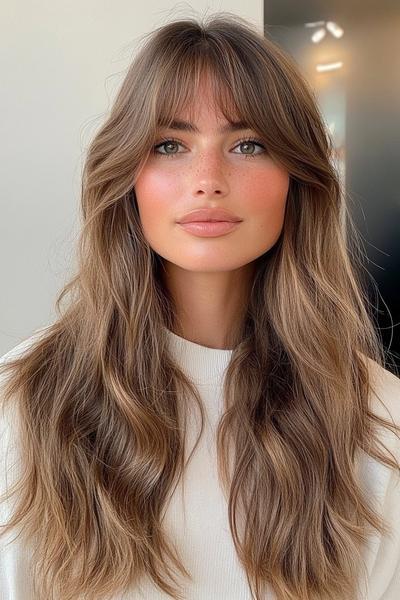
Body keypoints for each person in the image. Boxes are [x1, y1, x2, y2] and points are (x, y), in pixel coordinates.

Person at [0, 11, 399, 600]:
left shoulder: (378, 420)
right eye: (170, 145)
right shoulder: (28, 400)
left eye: (247, 144)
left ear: (298, 177)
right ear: (127, 177)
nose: (207, 179)